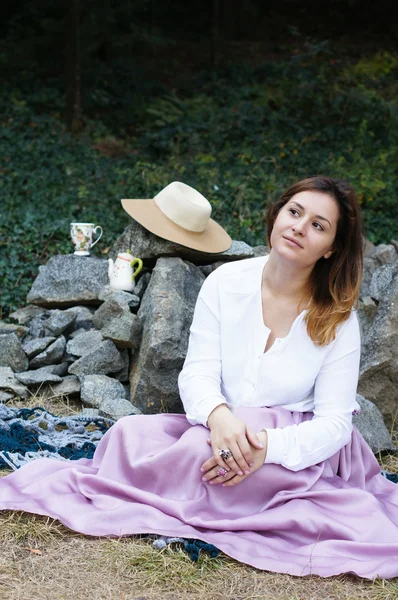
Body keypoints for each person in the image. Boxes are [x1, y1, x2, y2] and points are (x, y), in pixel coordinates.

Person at [1, 177, 398, 579]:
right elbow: (198, 374)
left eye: (318, 225)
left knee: (202, 463)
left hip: (295, 444)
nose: (299, 226)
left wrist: (264, 449)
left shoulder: (339, 317)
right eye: (294, 212)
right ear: (277, 215)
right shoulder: (225, 282)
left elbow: (333, 425)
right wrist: (220, 417)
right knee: (126, 437)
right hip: (218, 426)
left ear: (331, 247)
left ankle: (250, 493)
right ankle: (215, 479)